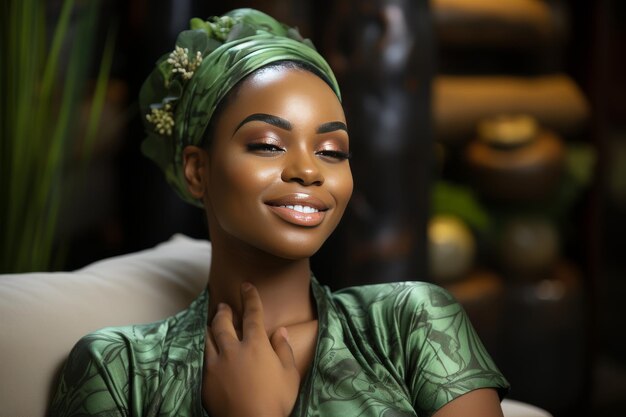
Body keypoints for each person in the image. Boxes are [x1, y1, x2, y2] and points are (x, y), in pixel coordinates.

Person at [49, 8, 509, 417]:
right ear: (196, 170)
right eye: (268, 145)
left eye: (332, 151)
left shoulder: (415, 323)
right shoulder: (117, 369)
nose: (309, 170)